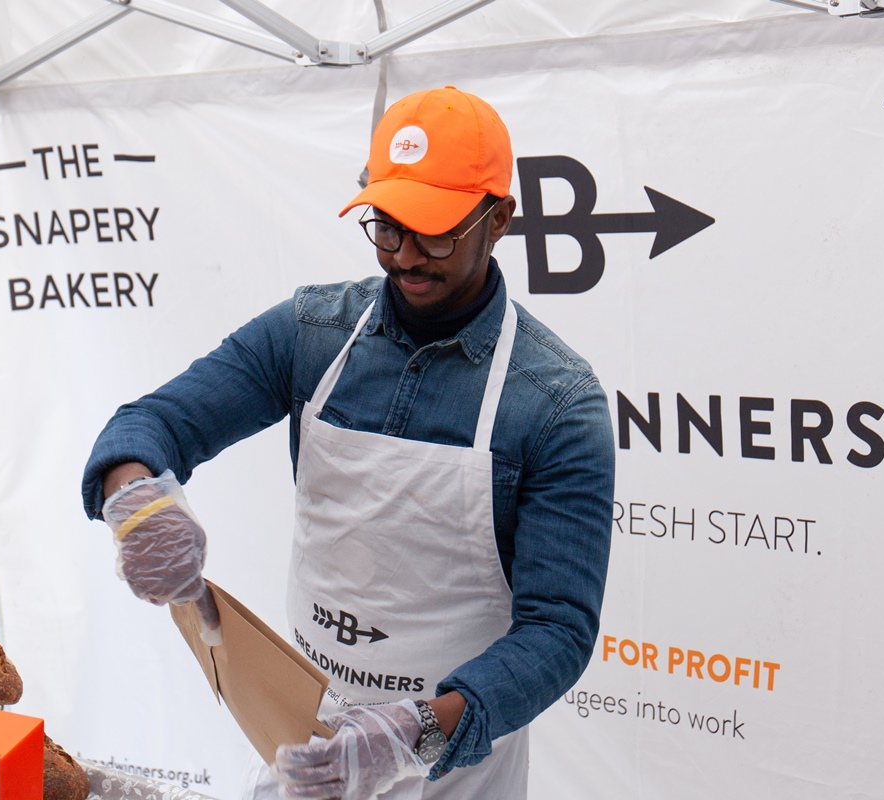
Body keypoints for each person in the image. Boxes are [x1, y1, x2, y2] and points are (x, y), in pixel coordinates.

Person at [82, 85, 615, 800]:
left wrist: (412, 733)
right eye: (387, 226)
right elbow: (150, 424)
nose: (406, 257)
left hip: (452, 766)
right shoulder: (312, 333)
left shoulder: (555, 404)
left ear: (500, 220)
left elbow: (558, 633)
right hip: (305, 738)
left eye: (435, 233)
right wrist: (139, 503)